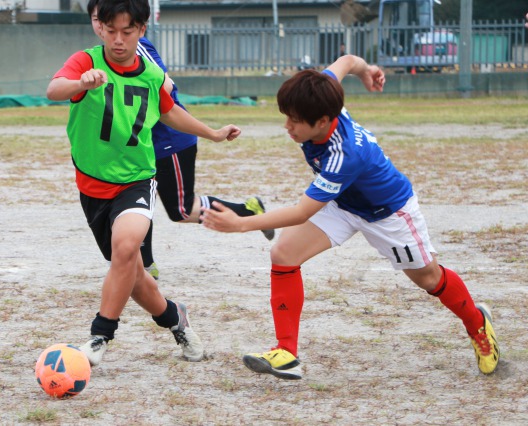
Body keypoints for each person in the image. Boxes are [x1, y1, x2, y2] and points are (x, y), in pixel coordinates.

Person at [200, 54, 500, 379]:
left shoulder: (345, 156)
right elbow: (346, 60)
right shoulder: (323, 92)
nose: (288, 126)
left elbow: (301, 211)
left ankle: (476, 323)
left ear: (323, 120)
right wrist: (367, 71)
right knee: (283, 254)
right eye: (286, 116)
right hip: (344, 203)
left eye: (295, 121)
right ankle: (286, 353)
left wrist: (241, 223)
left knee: (429, 279)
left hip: (389, 212)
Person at [47, 0, 241, 367]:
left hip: (136, 180)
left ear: (142, 31)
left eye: (128, 31)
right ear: (100, 27)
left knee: (125, 249)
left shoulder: (151, 76)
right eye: (111, 30)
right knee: (134, 277)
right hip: (92, 186)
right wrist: (80, 82)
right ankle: (175, 319)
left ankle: (100, 335)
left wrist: (213, 133)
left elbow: (171, 112)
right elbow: (54, 89)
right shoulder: (87, 62)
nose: (118, 40)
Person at [88, 0, 274, 282]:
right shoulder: (103, 55)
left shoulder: (134, 48)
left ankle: (246, 210)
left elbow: (166, 86)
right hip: (143, 145)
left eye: (105, 19)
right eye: (96, 20)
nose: (101, 26)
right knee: (134, 198)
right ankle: (145, 266)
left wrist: (210, 132)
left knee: (181, 210)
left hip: (169, 141)